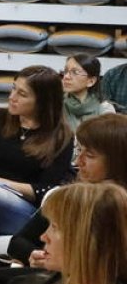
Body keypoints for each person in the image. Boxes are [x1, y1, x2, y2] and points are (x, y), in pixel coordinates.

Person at [9, 113, 127, 266]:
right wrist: (35, 254)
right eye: (79, 151)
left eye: (89, 155)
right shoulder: (67, 196)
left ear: (116, 162)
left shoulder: (118, 207)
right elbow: (18, 242)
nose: (78, 161)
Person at [0, 65, 73, 235]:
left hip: (24, 208)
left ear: (43, 102)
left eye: (22, 94)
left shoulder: (61, 138)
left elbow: (47, 191)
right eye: (13, 88)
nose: (12, 97)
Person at [61, 53, 115, 133]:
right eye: (65, 71)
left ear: (91, 81)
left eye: (75, 72)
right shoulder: (57, 104)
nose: (66, 77)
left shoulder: (104, 109)